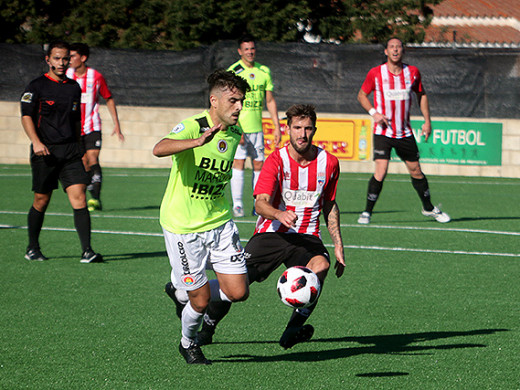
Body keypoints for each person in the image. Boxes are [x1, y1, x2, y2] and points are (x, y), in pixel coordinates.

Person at [196, 104, 346, 349]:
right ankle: (208, 327)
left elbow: (330, 204)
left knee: (321, 266)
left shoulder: (328, 163)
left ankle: (293, 329)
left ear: (315, 130)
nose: (302, 134)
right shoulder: (276, 160)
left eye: (308, 128)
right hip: (271, 233)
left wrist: (338, 245)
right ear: (288, 129)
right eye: (297, 128)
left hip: (306, 236)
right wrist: (279, 214)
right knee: (236, 283)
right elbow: (260, 203)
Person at [153, 69, 251, 365]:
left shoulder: (235, 133)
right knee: (201, 301)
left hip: (219, 222)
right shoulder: (192, 126)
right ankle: (188, 343)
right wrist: (196, 142)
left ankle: (181, 290)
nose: (238, 107)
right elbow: (159, 148)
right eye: (233, 101)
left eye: (242, 102)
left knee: (238, 292)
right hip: (183, 227)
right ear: (214, 100)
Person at [20, 40, 102, 263]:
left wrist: (81, 148)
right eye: (57, 58)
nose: (62, 63)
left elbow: (76, 120)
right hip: (45, 151)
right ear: (48, 60)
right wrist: (36, 142)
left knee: (80, 198)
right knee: (41, 200)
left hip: (71, 152)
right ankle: (32, 247)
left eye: (65, 58)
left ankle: (87, 251)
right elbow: (26, 116)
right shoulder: (36, 86)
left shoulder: (73, 87)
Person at [356, 37, 450, 225]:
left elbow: (421, 95)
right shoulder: (376, 73)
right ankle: (367, 212)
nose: (395, 50)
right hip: (383, 132)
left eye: (398, 47)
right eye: (391, 47)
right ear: (386, 52)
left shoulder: (412, 72)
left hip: (405, 133)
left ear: (403, 51)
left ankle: (429, 208)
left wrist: (427, 121)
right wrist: (374, 113)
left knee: (416, 171)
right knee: (381, 171)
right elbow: (361, 95)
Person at [228, 33, 281, 217]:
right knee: (239, 163)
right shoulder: (234, 71)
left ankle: (257, 204)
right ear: (239, 51)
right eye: (246, 49)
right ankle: (238, 205)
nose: (250, 52)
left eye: (252, 48)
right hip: (239, 127)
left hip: (257, 129)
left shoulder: (264, 71)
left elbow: (270, 100)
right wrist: (236, 127)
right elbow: (229, 101)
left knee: (259, 165)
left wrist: (277, 126)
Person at [66, 43, 124, 212]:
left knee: (92, 160)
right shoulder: (67, 76)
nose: (69, 60)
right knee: (83, 163)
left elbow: (109, 98)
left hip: (92, 126)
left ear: (83, 58)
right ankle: (85, 196)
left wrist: (117, 125)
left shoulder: (96, 76)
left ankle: (96, 198)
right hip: (73, 129)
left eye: (72, 56)